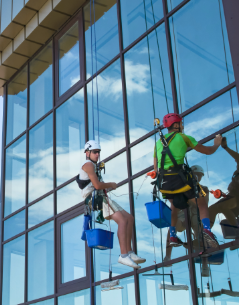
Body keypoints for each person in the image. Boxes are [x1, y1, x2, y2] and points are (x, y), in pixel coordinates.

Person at [153, 114, 223, 251]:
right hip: (180, 180)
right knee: (201, 203)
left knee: (174, 206)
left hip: (164, 183)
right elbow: (207, 151)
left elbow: (156, 169)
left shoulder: (157, 144)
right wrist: (217, 144)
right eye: (181, 123)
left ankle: (172, 235)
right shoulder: (184, 137)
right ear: (176, 125)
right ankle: (207, 231)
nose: (182, 126)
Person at [77, 140, 145, 270]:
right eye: (95, 152)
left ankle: (129, 251)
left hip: (100, 196)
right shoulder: (88, 165)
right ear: (87, 153)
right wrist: (111, 184)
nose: (97, 155)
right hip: (94, 199)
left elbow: (96, 185)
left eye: (98, 152)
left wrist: (107, 188)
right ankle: (123, 255)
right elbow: (97, 186)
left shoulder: (93, 166)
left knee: (129, 218)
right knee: (122, 221)